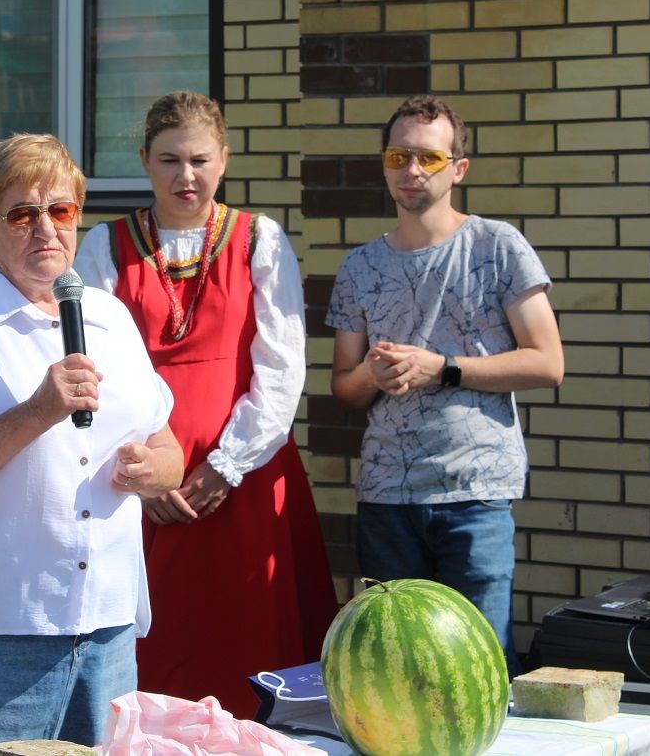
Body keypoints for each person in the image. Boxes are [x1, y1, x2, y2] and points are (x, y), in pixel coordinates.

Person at [0, 134, 185, 756]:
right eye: (21, 214)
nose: (45, 229)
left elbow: (170, 450)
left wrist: (151, 470)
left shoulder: (110, 317)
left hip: (107, 628)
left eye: (62, 211)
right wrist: (38, 412)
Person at [74, 91, 337, 719]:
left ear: (223, 160)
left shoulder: (259, 241)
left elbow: (281, 365)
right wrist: (144, 475)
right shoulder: (105, 248)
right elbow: (95, 369)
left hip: (245, 470)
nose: (184, 176)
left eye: (198, 160)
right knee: (155, 633)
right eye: (168, 160)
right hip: (139, 470)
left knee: (248, 623)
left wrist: (227, 464)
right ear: (144, 161)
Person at [325, 94, 564, 675]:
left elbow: (548, 362)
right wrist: (372, 376)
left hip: (475, 493)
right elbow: (344, 388)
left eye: (429, 158)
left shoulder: (496, 246)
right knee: (394, 674)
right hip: (386, 497)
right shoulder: (360, 266)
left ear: (458, 168)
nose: (411, 171)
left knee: (476, 671)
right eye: (398, 156)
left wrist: (444, 367)